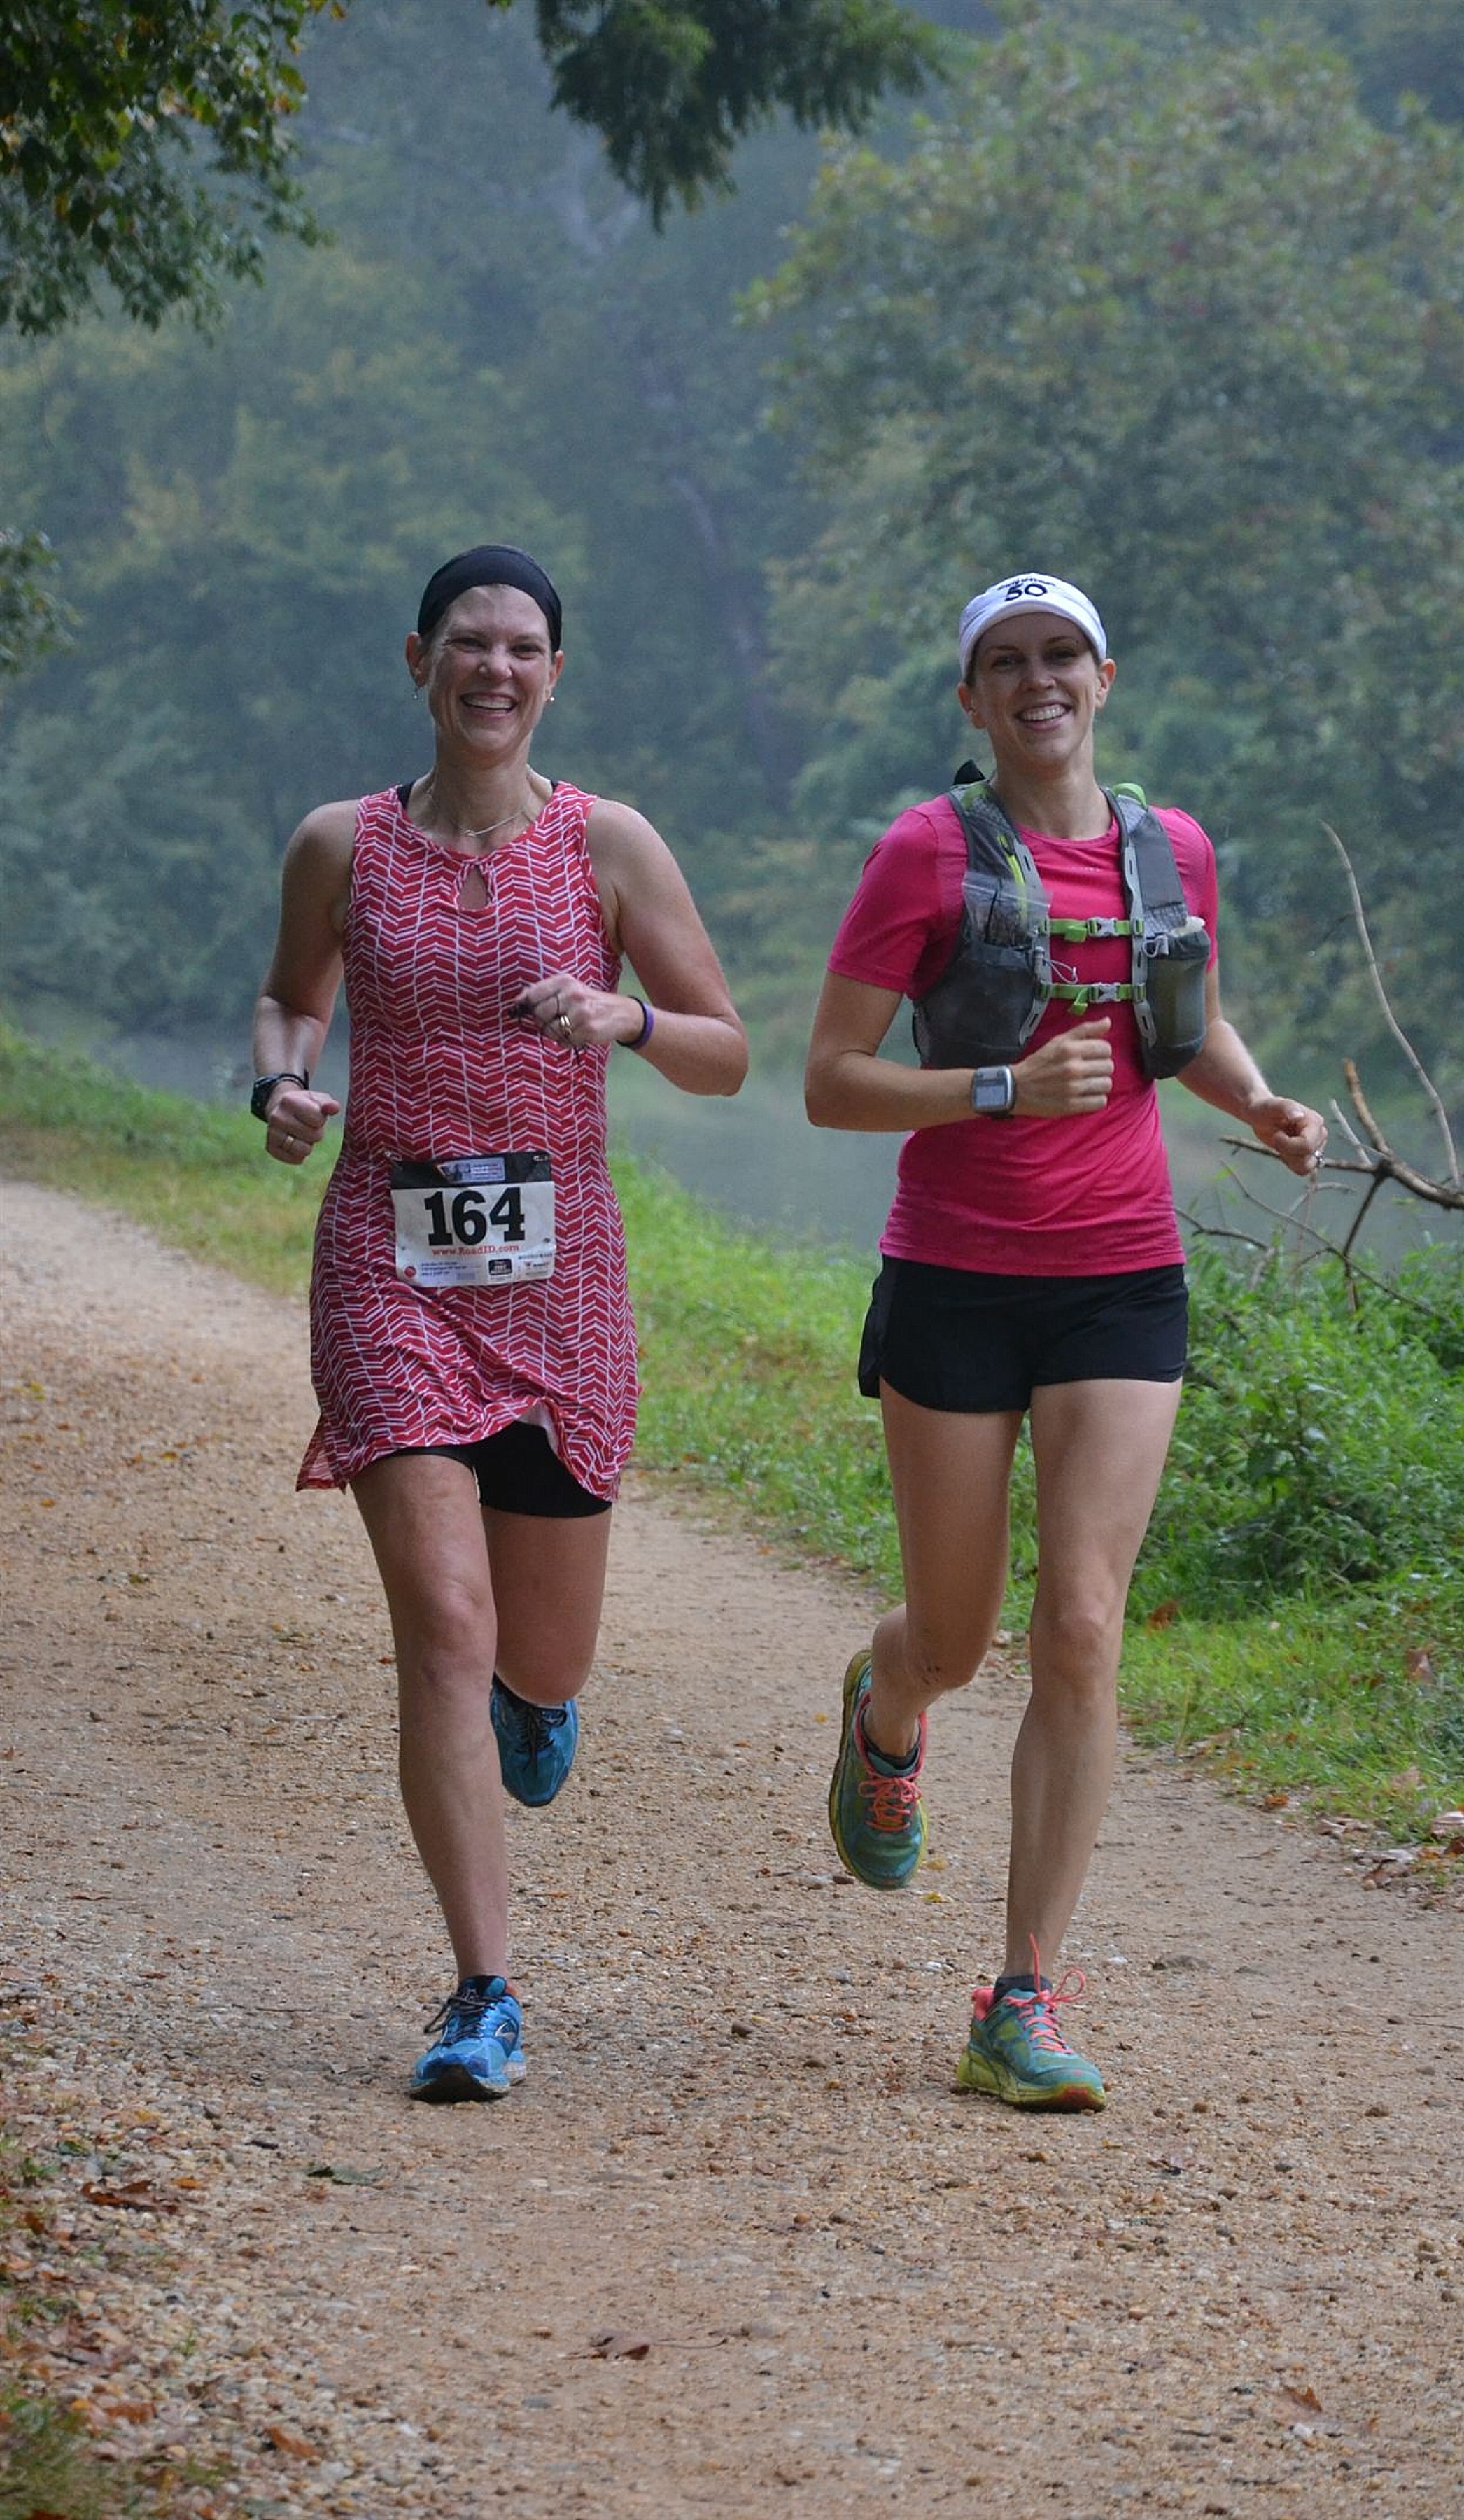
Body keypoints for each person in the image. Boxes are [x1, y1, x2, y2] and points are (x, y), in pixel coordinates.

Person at [805, 571, 1325, 2113]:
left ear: (1105, 677)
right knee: (960, 1643)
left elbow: (1188, 1021)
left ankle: (1020, 1995)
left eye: (1061, 656)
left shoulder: (1176, 850)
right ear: (973, 701)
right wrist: (993, 1093)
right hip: (957, 1278)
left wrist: (1258, 1100)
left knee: (1084, 1623)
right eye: (1004, 662)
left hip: (1121, 1281)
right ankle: (888, 1703)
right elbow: (831, 1080)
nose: (1037, 681)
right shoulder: (925, 853)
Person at [252, 545, 747, 2102]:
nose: (494, 669)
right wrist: (278, 1080)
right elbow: (289, 997)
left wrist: (631, 1016)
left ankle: (542, 1696)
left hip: (562, 1286)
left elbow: (729, 1049)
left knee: (534, 1653)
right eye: (468, 643)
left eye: (523, 647)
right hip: (389, 1272)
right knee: (443, 1632)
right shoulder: (342, 842)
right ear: (419, 660)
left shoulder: (609, 845)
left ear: (554, 673)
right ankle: (482, 1992)